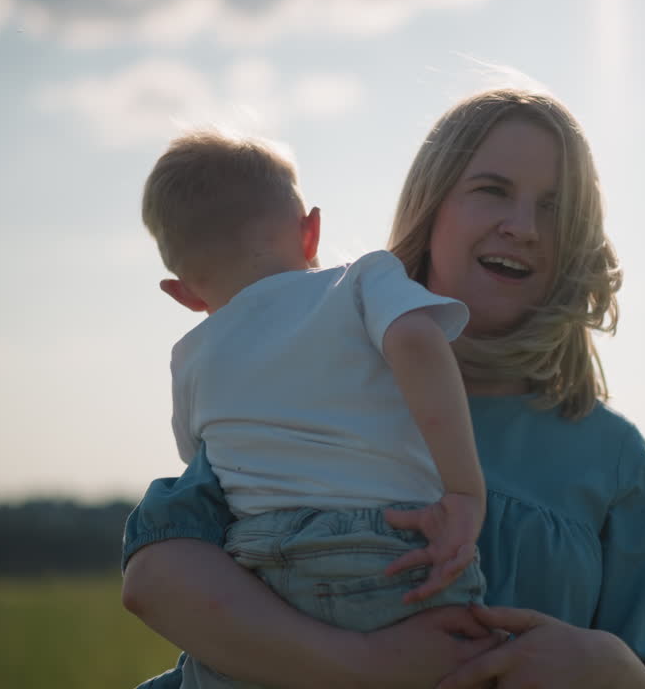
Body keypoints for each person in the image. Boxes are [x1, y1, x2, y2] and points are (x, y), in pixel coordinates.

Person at [123, 88, 645, 689]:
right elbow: (154, 581)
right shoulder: (302, 379)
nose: (524, 227)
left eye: (555, 208)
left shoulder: (610, 455)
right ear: (432, 210)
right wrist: (367, 667)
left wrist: (611, 672)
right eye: (492, 190)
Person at [140, 131, 492, 686]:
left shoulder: (190, 356)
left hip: (263, 571)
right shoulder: (361, 280)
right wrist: (464, 492)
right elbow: (419, 342)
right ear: (311, 233)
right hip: (388, 549)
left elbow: (204, 466)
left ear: (183, 294)